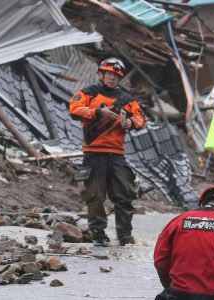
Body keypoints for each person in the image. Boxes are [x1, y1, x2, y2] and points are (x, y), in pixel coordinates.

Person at [69, 57, 146, 246]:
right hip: (94, 154)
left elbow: (141, 118)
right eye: (109, 74)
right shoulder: (88, 93)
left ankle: (125, 236)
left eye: (116, 76)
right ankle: (98, 234)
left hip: (117, 154)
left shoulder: (127, 99)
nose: (112, 78)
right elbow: (74, 109)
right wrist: (97, 113)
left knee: (125, 196)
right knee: (95, 196)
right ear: (101, 74)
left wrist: (131, 123)